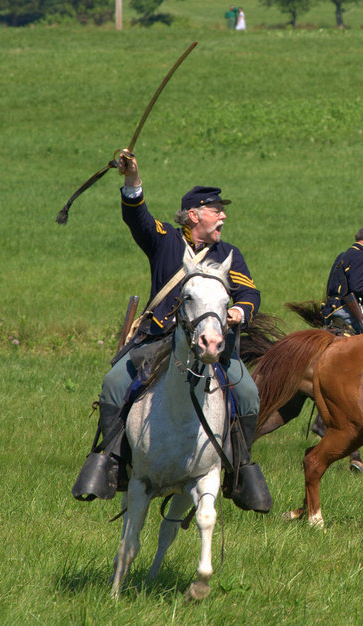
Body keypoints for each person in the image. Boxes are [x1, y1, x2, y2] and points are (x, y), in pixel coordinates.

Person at [72, 152, 272, 513]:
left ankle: (239, 469)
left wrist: (240, 310)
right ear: (194, 215)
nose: (223, 215)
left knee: (247, 392)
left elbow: (249, 292)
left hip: (211, 342)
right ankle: (112, 464)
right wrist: (133, 179)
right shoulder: (164, 238)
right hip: (161, 340)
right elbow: (137, 218)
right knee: (115, 384)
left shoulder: (228, 253)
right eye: (216, 210)